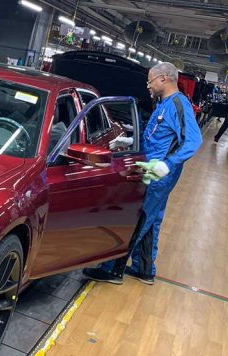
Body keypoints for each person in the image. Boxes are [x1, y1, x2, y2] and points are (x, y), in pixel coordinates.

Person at [83, 62, 203, 285]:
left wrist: (167, 164)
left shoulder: (178, 104)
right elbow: (157, 136)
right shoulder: (163, 103)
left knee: (138, 218)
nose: (147, 85)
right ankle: (144, 268)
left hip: (157, 175)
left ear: (164, 79)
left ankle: (113, 269)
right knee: (152, 219)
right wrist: (131, 139)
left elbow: (193, 141)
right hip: (151, 169)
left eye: (150, 81)